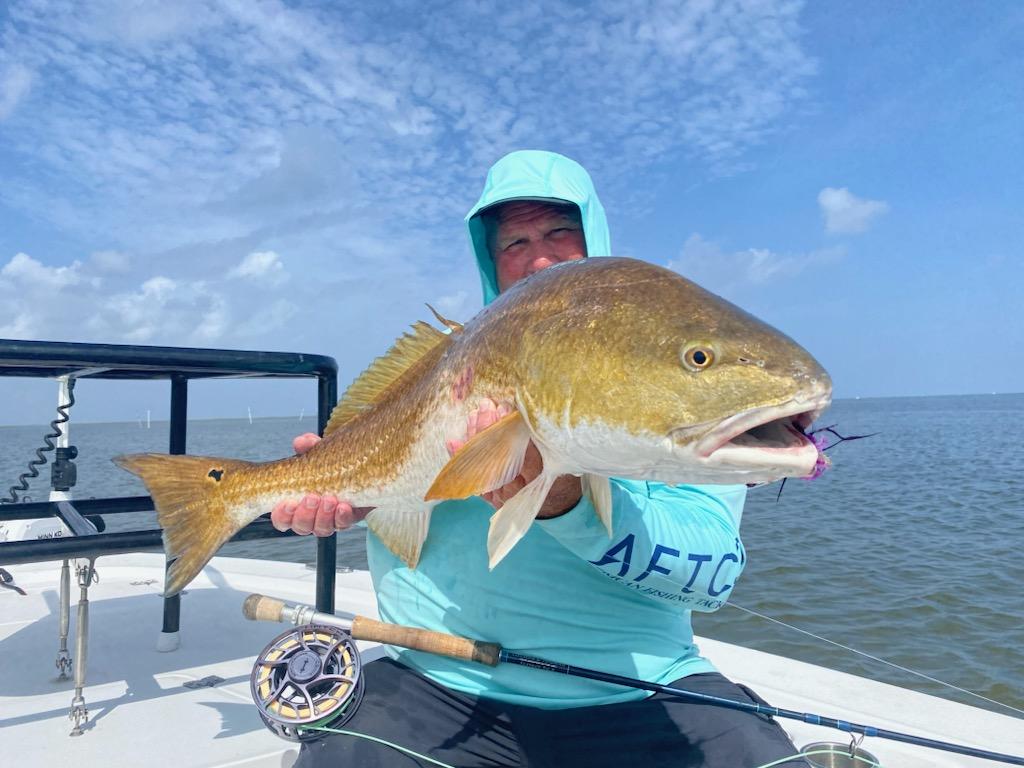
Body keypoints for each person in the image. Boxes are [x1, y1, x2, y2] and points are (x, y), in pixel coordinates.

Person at [272, 150, 809, 767]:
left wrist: (567, 507)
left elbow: (711, 579)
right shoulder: (453, 364)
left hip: (639, 686)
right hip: (437, 679)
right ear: (488, 260)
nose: (541, 256)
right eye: (515, 242)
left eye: (559, 231)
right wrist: (351, 496)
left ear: (595, 235)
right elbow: (400, 483)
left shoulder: (682, 417)